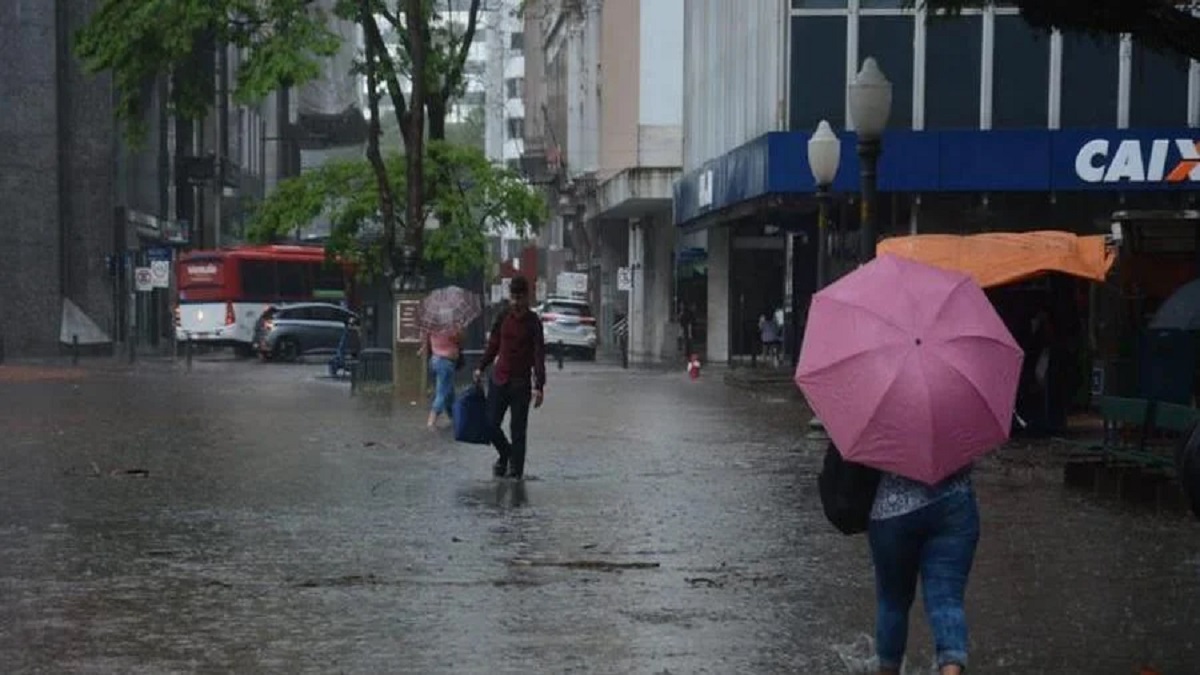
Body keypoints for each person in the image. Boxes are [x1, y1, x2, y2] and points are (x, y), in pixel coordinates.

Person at [868, 467, 979, 675]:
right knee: (947, 600)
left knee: (893, 602)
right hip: (954, 504)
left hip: (892, 510)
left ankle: (888, 669)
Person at [474, 276, 546, 480]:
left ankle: (516, 473)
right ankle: (506, 453)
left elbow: (538, 355)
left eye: (519, 298)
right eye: (513, 297)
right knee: (490, 423)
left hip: (521, 383)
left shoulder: (533, 323)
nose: (515, 302)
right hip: (499, 379)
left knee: (518, 430)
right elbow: (493, 345)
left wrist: (539, 385)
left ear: (527, 297)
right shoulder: (503, 316)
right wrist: (481, 367)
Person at [419, 327, 462, 429]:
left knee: (449, 391)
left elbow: (424, 337)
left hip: (435, 360)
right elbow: (458, 339)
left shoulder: (432, 325)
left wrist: (423, 347)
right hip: (446, 362)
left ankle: (455, 418)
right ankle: (431, 421)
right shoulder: (450, 326)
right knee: (442, 392)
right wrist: (460, 331)